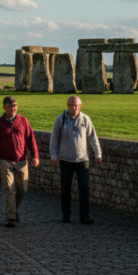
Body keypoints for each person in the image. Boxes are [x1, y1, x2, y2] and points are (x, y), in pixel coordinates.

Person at [50, 95, 102, 224]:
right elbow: (54, 139)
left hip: (82, 160)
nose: (76, 107)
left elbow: (92, 137)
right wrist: (54, 155)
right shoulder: (60, 120)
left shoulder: (85, 119)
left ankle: (84, 216)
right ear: (68, 106)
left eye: (78, 105)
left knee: (84, 189)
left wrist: (98, 153)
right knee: (65, 188)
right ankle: (66, 215)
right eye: (73, 105)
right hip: (65, 159)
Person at [0, 96, 39, 227]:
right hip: (5, 160)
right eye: (11, 106)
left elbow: (31, 139)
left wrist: (35, 156)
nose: (14, 108)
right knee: (9, 188)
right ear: (5, 107)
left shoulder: (23, 121)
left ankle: (14, 208)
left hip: (22, 160)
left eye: (15, 105)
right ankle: (10, 217)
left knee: (22, 188)